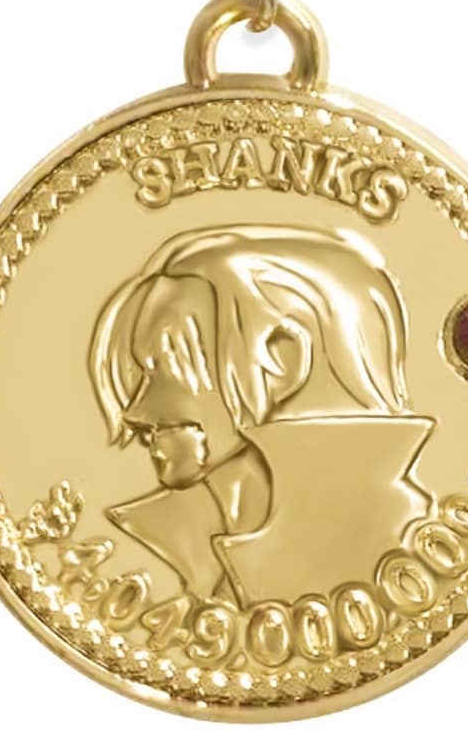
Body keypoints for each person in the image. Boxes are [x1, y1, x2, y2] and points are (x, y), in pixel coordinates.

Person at [89, 225, 433, 604]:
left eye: (165, 371)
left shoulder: (398, 542)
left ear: (281, 362)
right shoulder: (196, 547)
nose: (136, 411)